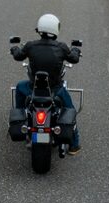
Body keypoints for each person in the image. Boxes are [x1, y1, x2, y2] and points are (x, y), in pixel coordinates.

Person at [11, 13, 82, 154]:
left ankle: (22, 118)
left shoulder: (30, 46)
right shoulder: (62, 47)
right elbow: (74, 59)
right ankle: (74, 145)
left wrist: (14, 49)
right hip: (55, 91)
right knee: (70, 110)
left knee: (19, 87)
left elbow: (18, 56)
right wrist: (75, 50)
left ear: (40, 29)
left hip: (33, 90)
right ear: (56, 29)